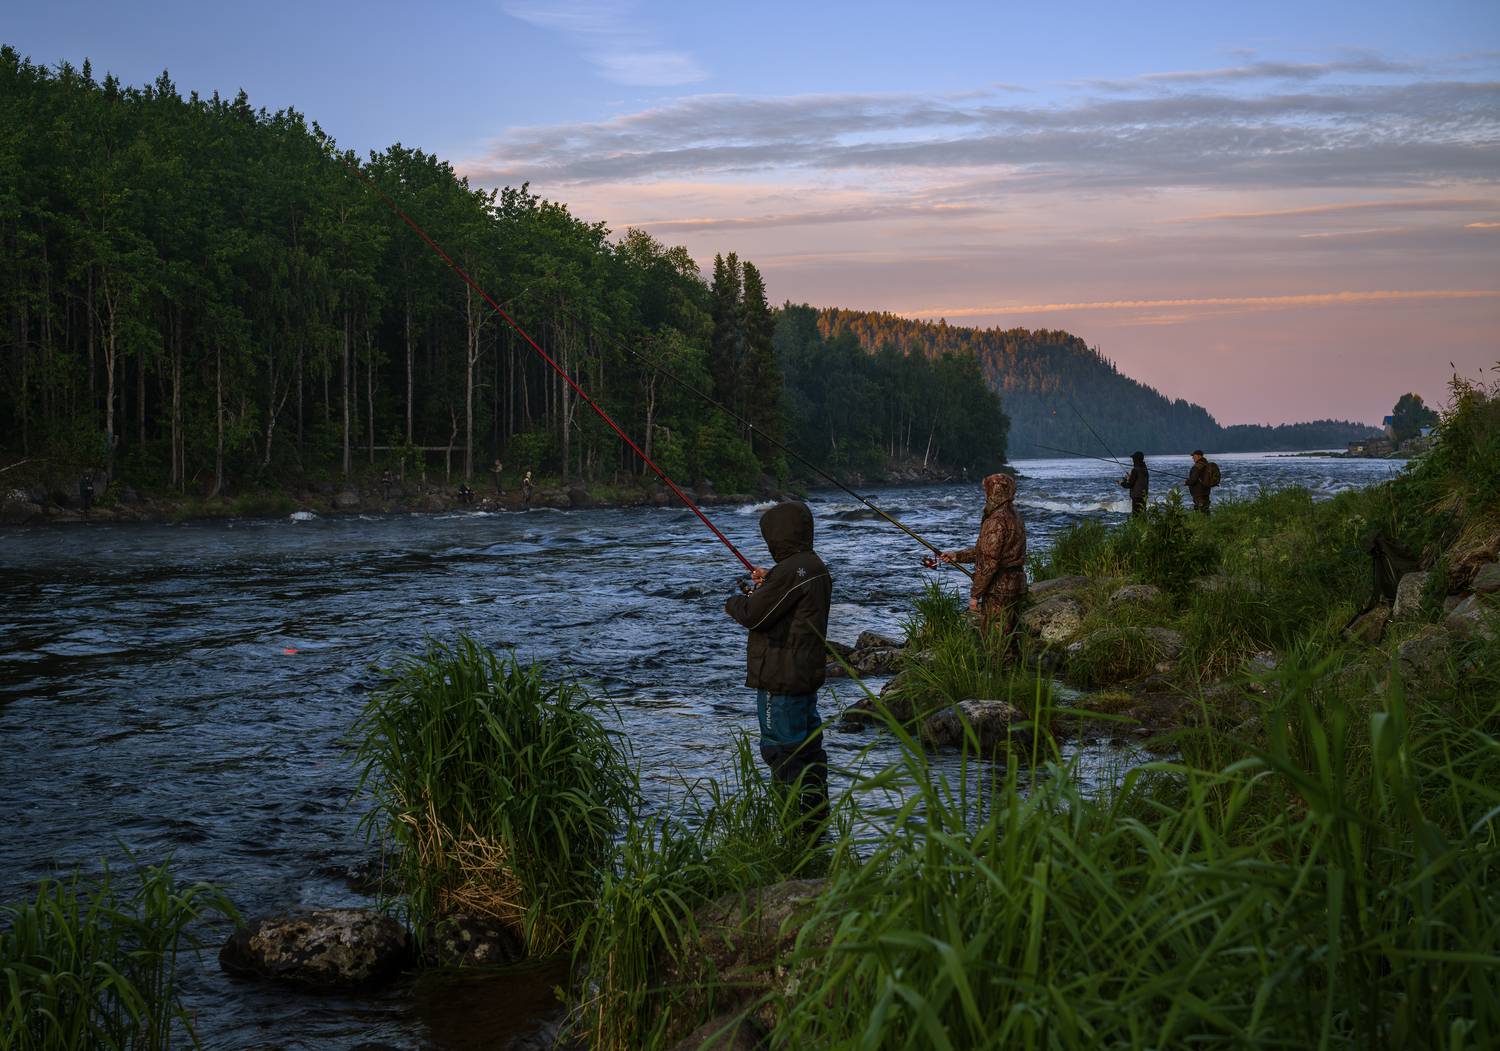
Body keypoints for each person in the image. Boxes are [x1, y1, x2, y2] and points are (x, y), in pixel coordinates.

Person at [724, 502, 833, 831]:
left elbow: (753, 614)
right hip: (804, 675)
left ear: (778, 536)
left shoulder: (790, 571)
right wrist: (770, 579)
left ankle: (792, 830)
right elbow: (787, 596)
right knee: (810, 752)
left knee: (782, 753)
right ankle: (816, 823)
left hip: (780, 679)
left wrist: (735, 601)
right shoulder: (813, 565)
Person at [941, 473, 1028, 655]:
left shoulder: (996, 520)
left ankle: (999, 678)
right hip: (1016, 585)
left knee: (996, 642)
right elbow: (987, 552)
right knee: (1011, 638)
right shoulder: (1014, 515)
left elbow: (989, 562)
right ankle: (1012, 677)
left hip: (999, 589)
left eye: (986, 489)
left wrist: (975, 595)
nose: (985, 494)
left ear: (994, 491)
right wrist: (957, 556)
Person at [1119, 451, 1149, 517]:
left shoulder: (1135, 470)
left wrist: (1121, 483)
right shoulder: (1145, 469)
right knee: (1142, 515)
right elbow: (1140, 480)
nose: (1133, 460)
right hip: (1144, 496)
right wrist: (1131, 477)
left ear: (1136, 459)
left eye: (1133, 459)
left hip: (1137, 497)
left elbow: (1129, 485)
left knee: (1136, 516)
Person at [1185, 450, 1212, 515]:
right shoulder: (1207, 465)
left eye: (1194, 456)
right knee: (1205, 509)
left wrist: (1187, 482)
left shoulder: (1197, 467)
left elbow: (1193, 480)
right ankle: (1208, 522)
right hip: (1206, 491)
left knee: (1200, 510)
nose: (1192, 458)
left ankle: (1200, 523)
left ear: (1199, 456)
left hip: (1198, 492)